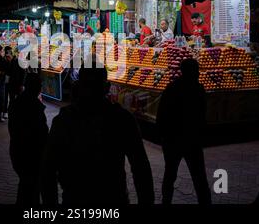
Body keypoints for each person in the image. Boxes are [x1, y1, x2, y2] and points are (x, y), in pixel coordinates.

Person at [42, 62, 155, 205]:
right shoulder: (122, 119)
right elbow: (141, 168)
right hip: (113, 198)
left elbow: (48, 170)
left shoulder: (64, 120)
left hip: (75, 200)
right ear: (107, 88)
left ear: (78, 86)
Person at [157, 58, 212, 204]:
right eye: (197, 70)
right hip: (191, 139)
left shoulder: (172, 87)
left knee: (170, 173)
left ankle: (166, 201)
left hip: (173, 139)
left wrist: (163, 135)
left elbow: (161, 113)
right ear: (193, 71)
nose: (199, 73)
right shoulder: (198, 89)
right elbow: (202, 115)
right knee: (199, 176)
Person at [8, 73, 49, 204]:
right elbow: (41, 134)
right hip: (31, 155)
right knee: (31, 189)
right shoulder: (34, 107)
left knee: (26, 187)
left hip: (18, 152)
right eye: (39, 85)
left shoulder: (17, 103)